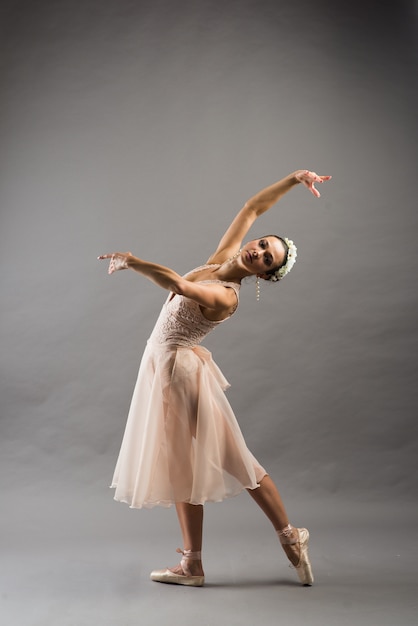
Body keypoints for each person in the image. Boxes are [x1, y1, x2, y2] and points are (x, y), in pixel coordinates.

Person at [98, 169, 331, 588]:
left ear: (262, 275)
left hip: (179, 375)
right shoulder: (222, 258)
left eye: (266, 258)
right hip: (162, 367)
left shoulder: (226, 296)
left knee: (235, 459)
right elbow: (253, 207)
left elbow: (176, 284)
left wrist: (132, 262)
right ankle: (193, 564)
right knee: (180, 466)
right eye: (262, 244)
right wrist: (294, 180)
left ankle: (290, 537)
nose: (257, 251)